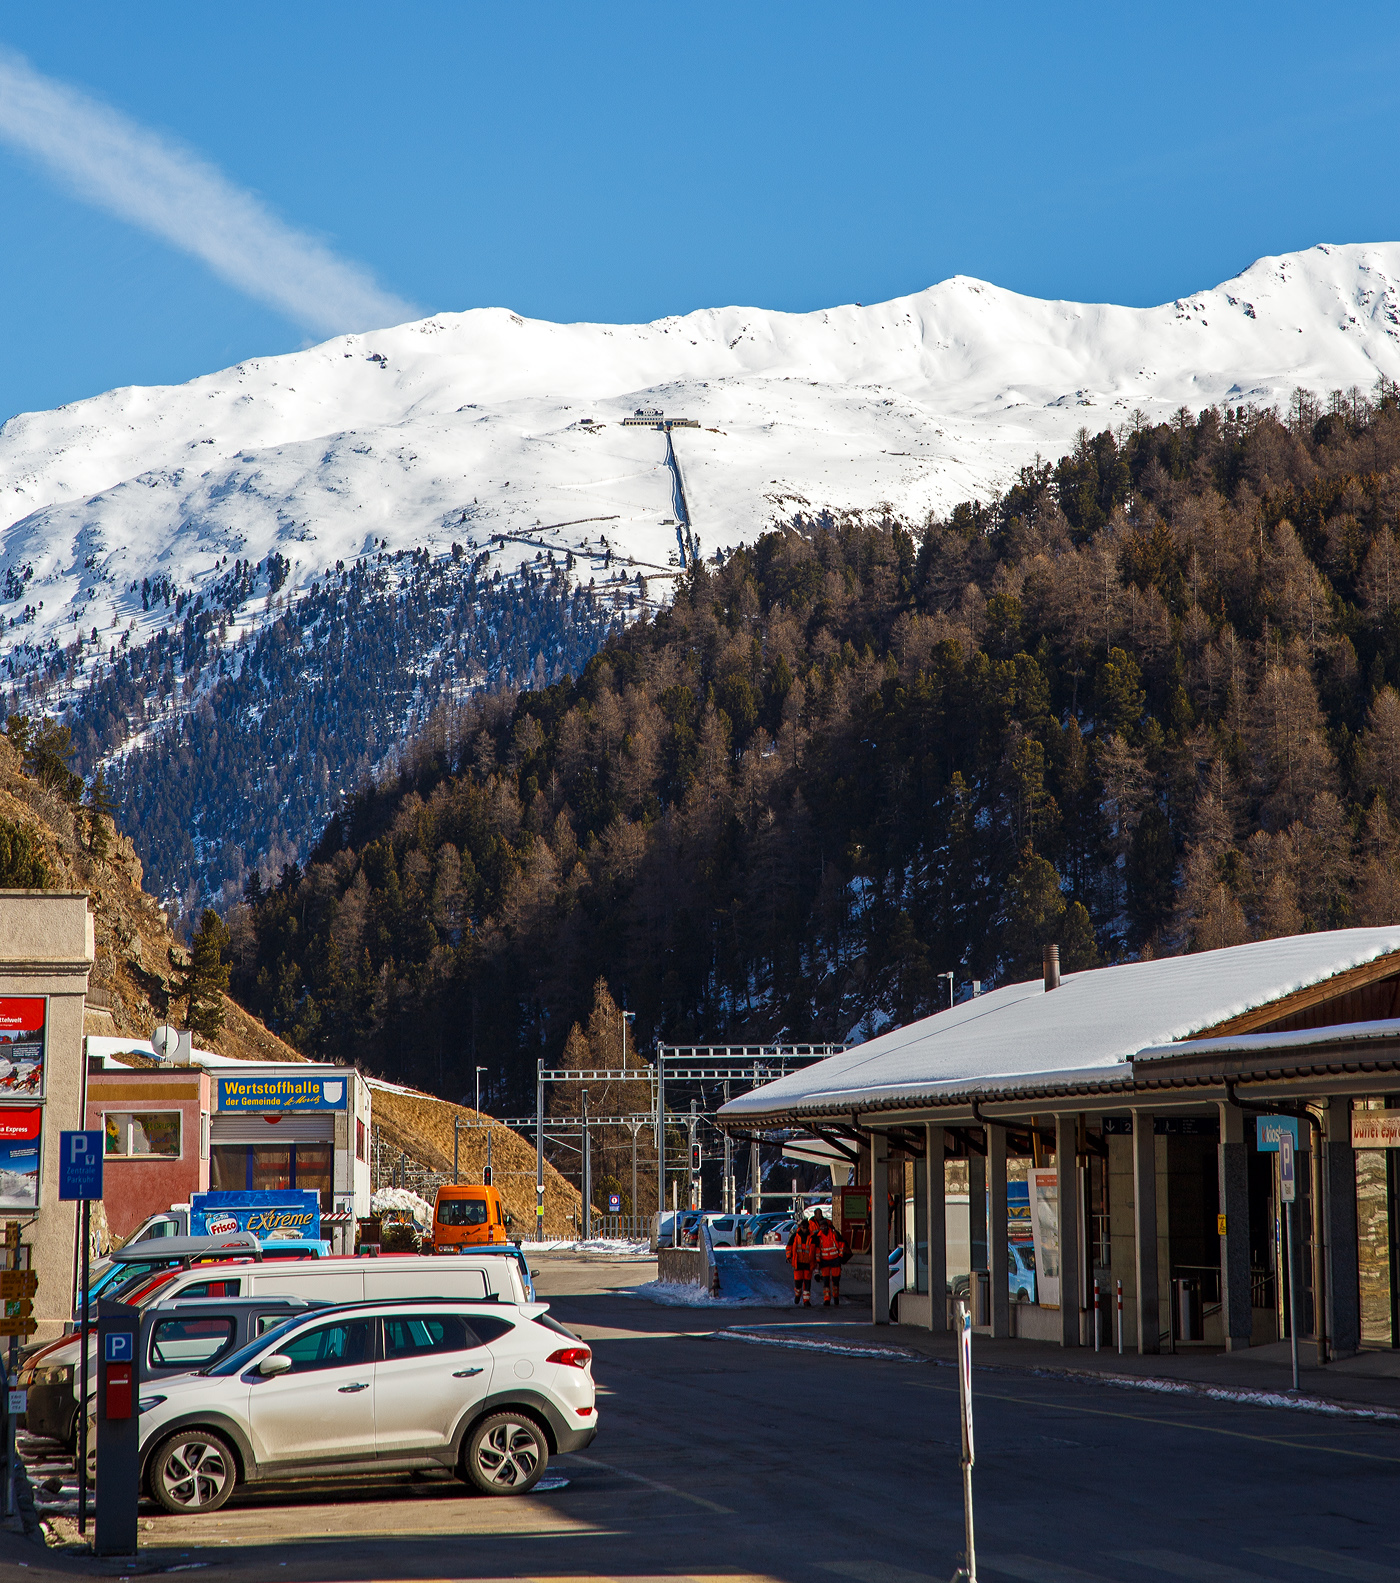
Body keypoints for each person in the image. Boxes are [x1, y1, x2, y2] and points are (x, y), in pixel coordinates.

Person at [812, 1209, 851, 1307]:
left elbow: (841, 1244)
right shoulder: (818, 1236)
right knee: (825, 1282)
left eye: (824, 1226)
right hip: (825, 1261)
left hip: (835, 1260)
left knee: (835, 1281)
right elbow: (817, 1250)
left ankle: (836, 1297)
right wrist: (818, 1262)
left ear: (827, 1226)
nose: (823, 1228)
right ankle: (827, 1300)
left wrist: (841, 1256)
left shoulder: (834, 1234)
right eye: (822, 1227)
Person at [786, 1213, 817, 1305]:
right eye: (803, 1228)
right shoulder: (795, 1236)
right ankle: (797, 1295)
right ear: (801, 1227)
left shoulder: (812, 1237)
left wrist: (817, 1261)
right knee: (798, 1283)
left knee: (807, 1284)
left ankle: (806, 1301)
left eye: (806, 1228)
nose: (804, 1230)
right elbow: (788, 1247)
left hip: (808, 1263)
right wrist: (789, 1257)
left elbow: (816, 1250)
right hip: (798, 1263)